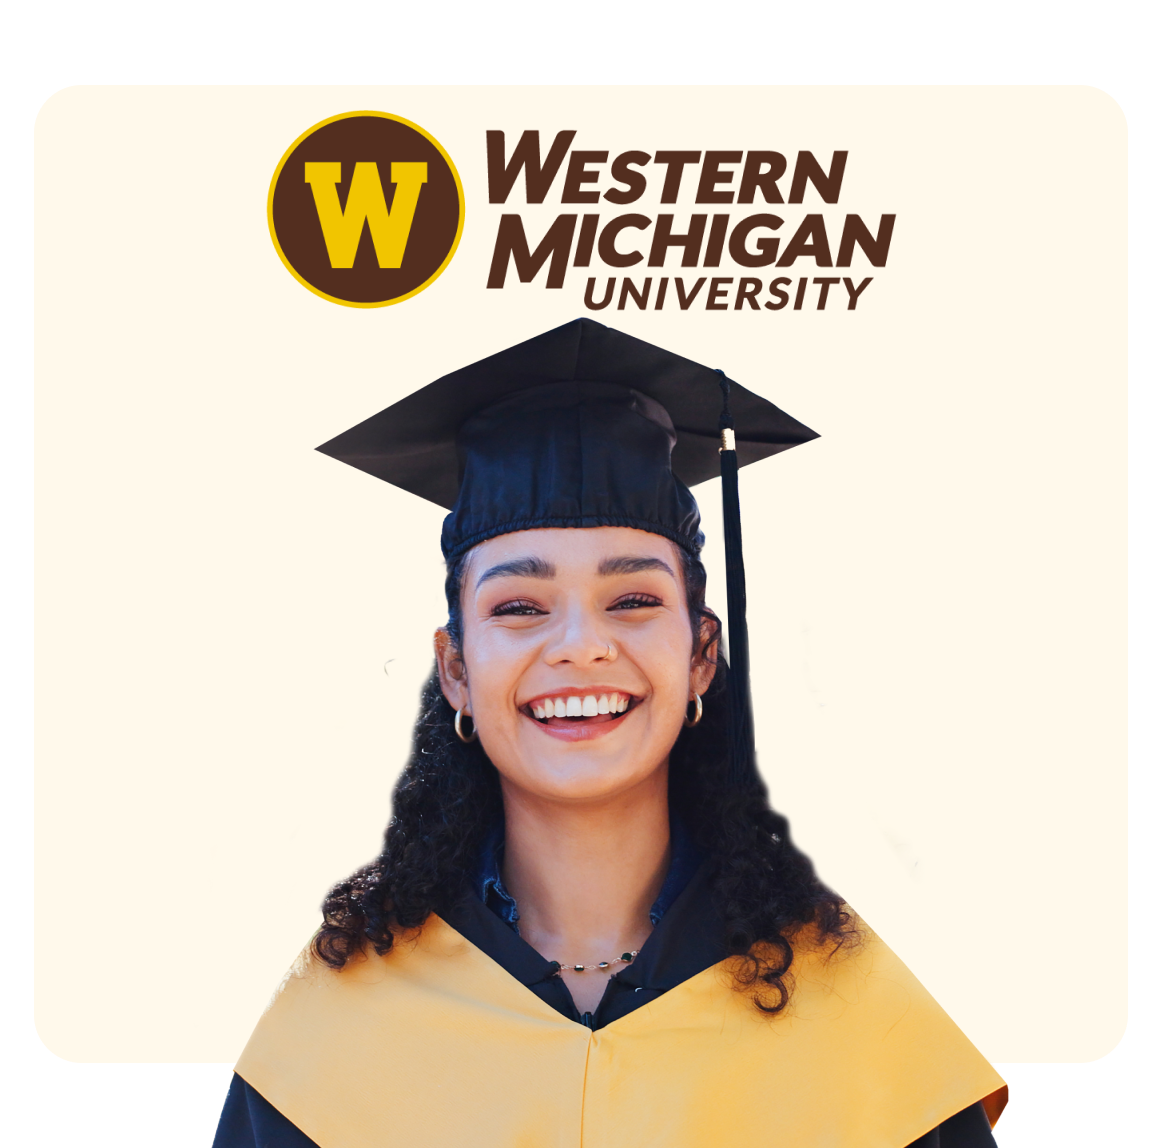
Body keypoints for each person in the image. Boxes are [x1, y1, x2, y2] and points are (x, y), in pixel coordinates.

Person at [213, 319, 1009, 1147]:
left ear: (702, 654)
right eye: (519, 608)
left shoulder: (854, 1023)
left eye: (633, 601)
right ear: (455, 670)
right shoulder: (337, 1038)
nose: (581, 646)